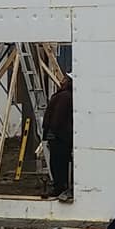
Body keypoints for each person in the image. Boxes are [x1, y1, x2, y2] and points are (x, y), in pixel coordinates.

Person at [42, 72, 74, 202]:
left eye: (65, 79)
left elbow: (57, 117)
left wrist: (51, 133)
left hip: (59, 136)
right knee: (60, 162)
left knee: (57, 162)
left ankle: (59, 187)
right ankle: (62, 185)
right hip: (63, 136)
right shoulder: (66, 95)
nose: (62, 81)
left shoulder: (64, 97)